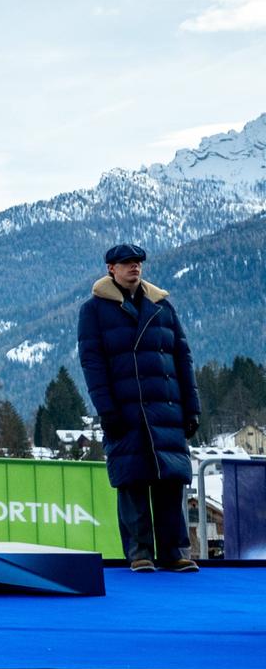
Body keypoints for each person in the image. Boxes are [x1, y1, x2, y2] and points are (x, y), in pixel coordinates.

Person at [77, 243, 202, 573]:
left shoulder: (163, 307)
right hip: (125, 412)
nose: (134, 267)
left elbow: (182, 359)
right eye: (126, 263)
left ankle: (174, 552)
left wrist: (192, 407)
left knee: (169, 480)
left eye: (138, 263)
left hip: (166, 409)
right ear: (111, 269)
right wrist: (107, 410)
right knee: (132, 481)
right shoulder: (93, 310)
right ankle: (139, 552)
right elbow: (92, 363)